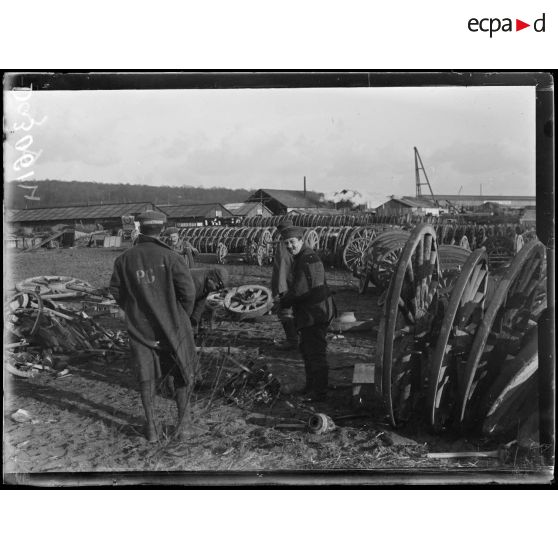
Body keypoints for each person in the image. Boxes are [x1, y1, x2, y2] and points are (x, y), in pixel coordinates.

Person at [109, 210, 201, 443]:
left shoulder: (124, 259)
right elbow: (188, 293)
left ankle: (151, 428)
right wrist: (181, 316)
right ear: (161, 229)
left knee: (146, 377)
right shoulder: (172, 257)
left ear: (141, 228)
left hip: (141, 330)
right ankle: (184, 426)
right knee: (181, 372)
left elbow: (116, 292)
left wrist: (135, 311)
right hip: (173, 328)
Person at [278, 225, 336, 401]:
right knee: (307, 350)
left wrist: (283, 302)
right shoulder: (303, 256)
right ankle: (311, 387)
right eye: (286, 243)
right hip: (311, 312)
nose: (289, 246)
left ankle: (319, 392)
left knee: (315, 353)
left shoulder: (307, 258)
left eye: (292, 242)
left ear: (301, 240)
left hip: (315, 314)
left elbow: (300, 290)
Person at [271, 219, 298, 350]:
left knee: (285, 312)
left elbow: (282, 268)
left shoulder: (283, 245)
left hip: (287, 285)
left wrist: (280, 289)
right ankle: (295, 338)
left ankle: (292, 340)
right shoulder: (296, 242)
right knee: (295, 312)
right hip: (294, 283)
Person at [189, 267, 229, 333]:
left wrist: (194, 321)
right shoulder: (197, 282)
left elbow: (200, 303)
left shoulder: (206, 284)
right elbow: (186, 305)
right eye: (217, 286)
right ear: (211, 279)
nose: (217, 290)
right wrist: (187, 325)